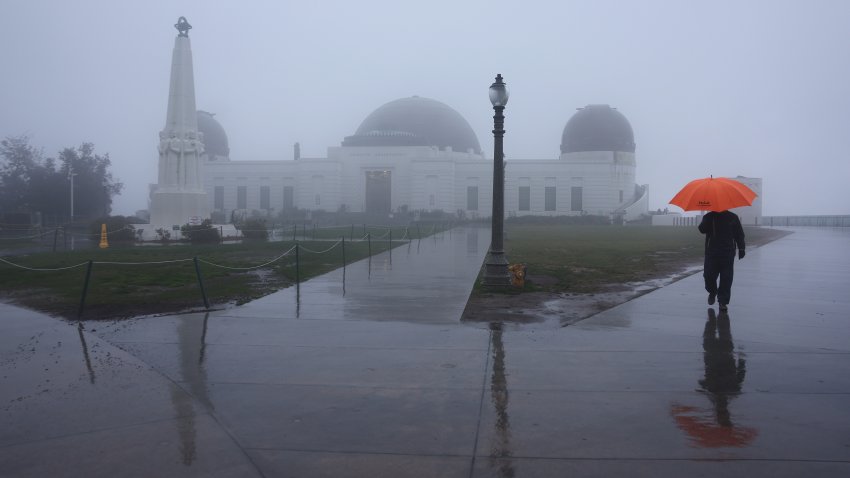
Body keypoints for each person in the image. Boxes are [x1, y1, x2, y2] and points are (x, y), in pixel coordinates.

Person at [698, 210, 745, 312]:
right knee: (708, 276)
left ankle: (722, 302)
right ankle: (712, 291)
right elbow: (701, 229)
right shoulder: (709, 216)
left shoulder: (733, 217)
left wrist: (742, 248)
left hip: (727, 253)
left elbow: (739, 234)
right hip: (712, 253)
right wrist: (707, 219)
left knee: (726, 279)